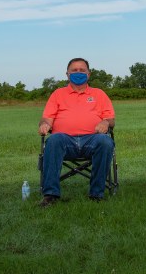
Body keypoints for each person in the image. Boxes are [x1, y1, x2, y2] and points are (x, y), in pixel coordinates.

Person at [38, 57, 116, 206]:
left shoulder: (99, 94)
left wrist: (105, 122)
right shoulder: (57, 94)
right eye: (74, 70)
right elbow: (46, 119)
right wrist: (44, 125)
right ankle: (50, 195)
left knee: (105, 141)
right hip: (65, 142)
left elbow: (111, 119)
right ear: (67, 74)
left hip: (92, 140)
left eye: (82, 70)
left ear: (89, 74)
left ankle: (96, 194)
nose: (78, 73)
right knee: (53, 140)